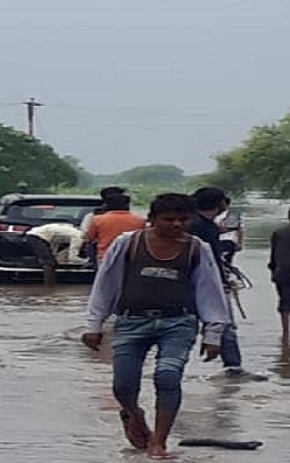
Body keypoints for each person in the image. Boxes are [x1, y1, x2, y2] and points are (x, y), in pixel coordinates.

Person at [82, 193, 228, 460]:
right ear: (152, 219)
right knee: (123, 386)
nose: (176, 225)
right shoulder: (128, 244)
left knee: (168, 376)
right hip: (131, 321)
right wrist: (94, 323)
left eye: (183, 219)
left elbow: (210, 293)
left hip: (178, 322)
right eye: (169, 219)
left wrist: (213, 333)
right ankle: (134, 414)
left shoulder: (197, 249)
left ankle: (158, 442)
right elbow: (106, 284)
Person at [189, 187, 245, 376]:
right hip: (208, 283)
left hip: (182, 282)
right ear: (220, 203)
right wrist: (222, 280)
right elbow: (211, 259)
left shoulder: (192, 223)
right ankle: (233, 367)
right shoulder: (206, 227)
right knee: (224, 323)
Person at [86, 193, 146, 263]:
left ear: (107, 205)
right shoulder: (139, 220)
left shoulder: (98, 219)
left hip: (105, 257)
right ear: (127, 205)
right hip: (130, 258)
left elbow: (90, 238)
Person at [269, 209, 290, 347]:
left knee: (284, 303)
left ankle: (285, 332)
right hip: (282, 271)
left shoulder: (279, 233)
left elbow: (274, 255)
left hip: (283, 272)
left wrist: (273, 269)